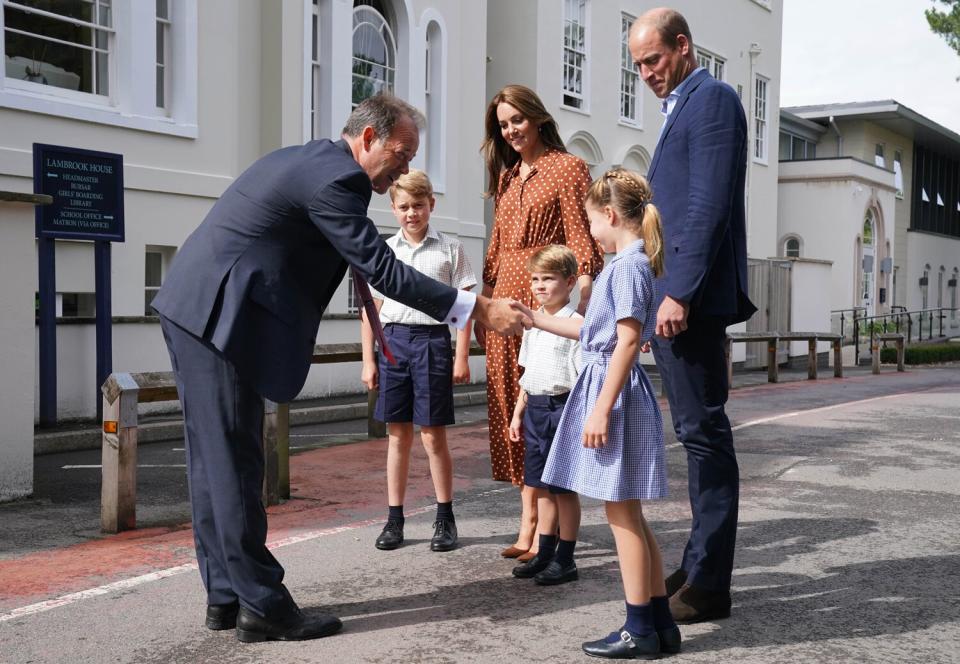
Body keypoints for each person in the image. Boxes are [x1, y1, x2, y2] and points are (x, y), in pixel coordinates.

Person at [151, 93, 529, 643]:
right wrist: (478, 308)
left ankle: (228, 597)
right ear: (370, 138)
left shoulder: (311, 160)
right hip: (218, 318)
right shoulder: (338, 181)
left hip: (198, 309)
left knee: (214, 464)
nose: (405, 167)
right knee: (233, 463)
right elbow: (383, 270)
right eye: (401, 153)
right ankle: (263, 607)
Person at [520, 169, 680, 658]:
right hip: (608, 385)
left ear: (610, 216)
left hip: (613, 393)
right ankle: (657, 624)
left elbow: (628, 340)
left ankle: (639, 628)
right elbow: (597, 334)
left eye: (591, 223)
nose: (590, 232)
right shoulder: (629, 263)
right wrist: (535, 319)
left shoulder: (626, 266)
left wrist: (601, 409)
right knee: (627, 512)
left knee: (620, 514)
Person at [629, 8, 757, 624]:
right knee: (696, 435)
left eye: (653, 59)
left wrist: (676, 292)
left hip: (691, 301)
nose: (646, 73)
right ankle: (697, 563)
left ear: (683, 47)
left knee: (705, 437)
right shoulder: (684, 104)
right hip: (680, 298)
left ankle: (709, 582)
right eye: (638, 66)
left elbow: (705, 205)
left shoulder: (713, 99)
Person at [479, 84, 604, 562]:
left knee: (544, 409)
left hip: (544, 305)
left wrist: (586, 309)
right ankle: (527, 519)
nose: (510, 130)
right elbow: (493, 254)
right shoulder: (509, 177)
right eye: (503, 124)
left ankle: (542, 526)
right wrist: (484, 307)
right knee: (514, 411)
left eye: (516, 120)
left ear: (536, 118)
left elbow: (582, 240)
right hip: (504, 308)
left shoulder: (568, 167)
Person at [359, 169, 476, 553]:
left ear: (431, 205)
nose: (412, 213)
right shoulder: (385, 251)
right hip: (393, 342)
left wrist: (461, 356)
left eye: (419, 206)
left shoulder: (450, 249)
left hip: (432, 343)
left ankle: (445, 517)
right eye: (404, 207)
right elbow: (370, 312)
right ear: (393, 208)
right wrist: (369, 360)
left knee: (432, 434)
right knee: (398, 435)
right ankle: (395, 519)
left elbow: (465, 307)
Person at [507, 245, 583, 586]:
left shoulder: (576, 325)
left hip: (562, 408)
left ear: (569, 283)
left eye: (548, 279)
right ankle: (545, 552)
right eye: (535, 278)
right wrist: (518, 414)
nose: (539, 285)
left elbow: (582, 377)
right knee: (540, 487)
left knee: (563, 489)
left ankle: (566, 559)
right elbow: (528, 374)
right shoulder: (532, 323)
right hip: (536, 409)